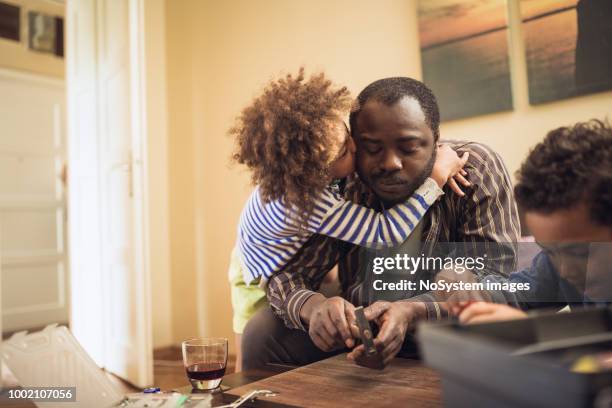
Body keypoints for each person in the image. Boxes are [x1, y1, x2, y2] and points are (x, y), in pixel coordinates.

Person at [242, 77, 521, 369]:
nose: (390, 163)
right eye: (372, 148)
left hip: (445, 328)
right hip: (361, 331)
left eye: (409, 147)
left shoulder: (475, 166)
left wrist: (413, 311)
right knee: (262, 334)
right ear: (353, 143)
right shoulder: (343, 180)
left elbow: (493, 273)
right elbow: (287, 276)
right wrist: (315, 307)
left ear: (436, 138)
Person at [458, 119, 612, 324]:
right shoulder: (561, 259)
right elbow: (520, 291)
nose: (564, 271)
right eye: (549, 251)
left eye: (580, 253)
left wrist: (538, 334)